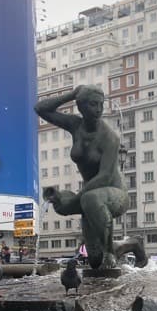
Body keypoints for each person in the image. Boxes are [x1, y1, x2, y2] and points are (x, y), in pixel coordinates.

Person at [35, 85, 129, 269]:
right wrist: (71, 94)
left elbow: (105, 176)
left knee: (89, 198)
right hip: (89, 198)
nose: (99, 110)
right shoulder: (75, 125)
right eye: (93, 104)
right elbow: (40, 109)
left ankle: (110, 252)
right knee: (94, 260)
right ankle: (131, 244)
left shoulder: (110, 138)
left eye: (101, 105)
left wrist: (76, 198)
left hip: (115, 194)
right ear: (81, 106)